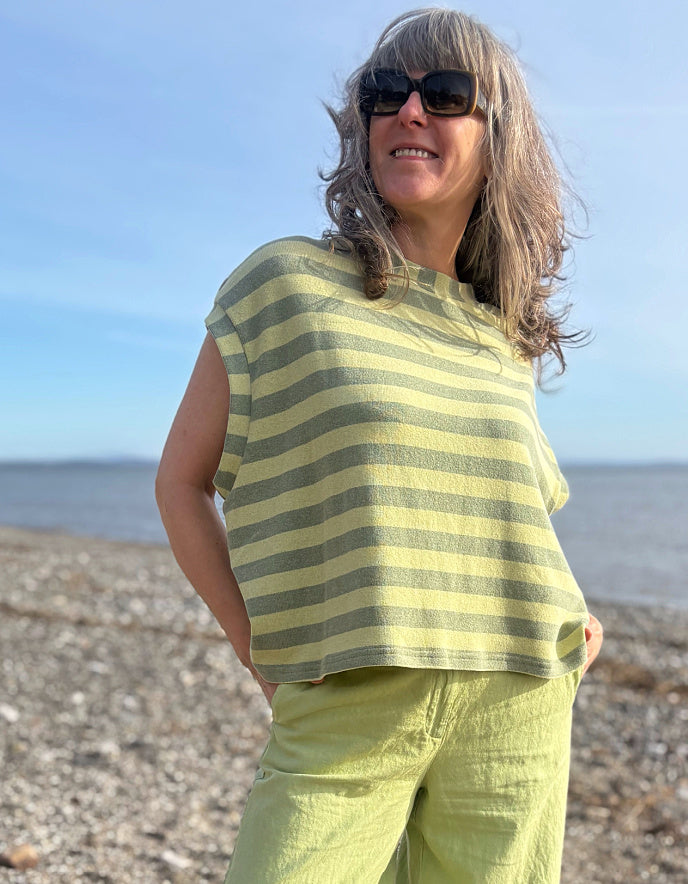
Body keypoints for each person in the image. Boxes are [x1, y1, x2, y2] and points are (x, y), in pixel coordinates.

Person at [155, 8, 603, 883]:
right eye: (385, 92)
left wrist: (575, 625)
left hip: (517, 706)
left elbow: (511, 511)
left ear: (498, 135)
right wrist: (259, 651)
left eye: (446, 94)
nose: (409, 110)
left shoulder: (502, 335)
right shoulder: (286, 283)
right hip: (347, 697)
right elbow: (181, 483)